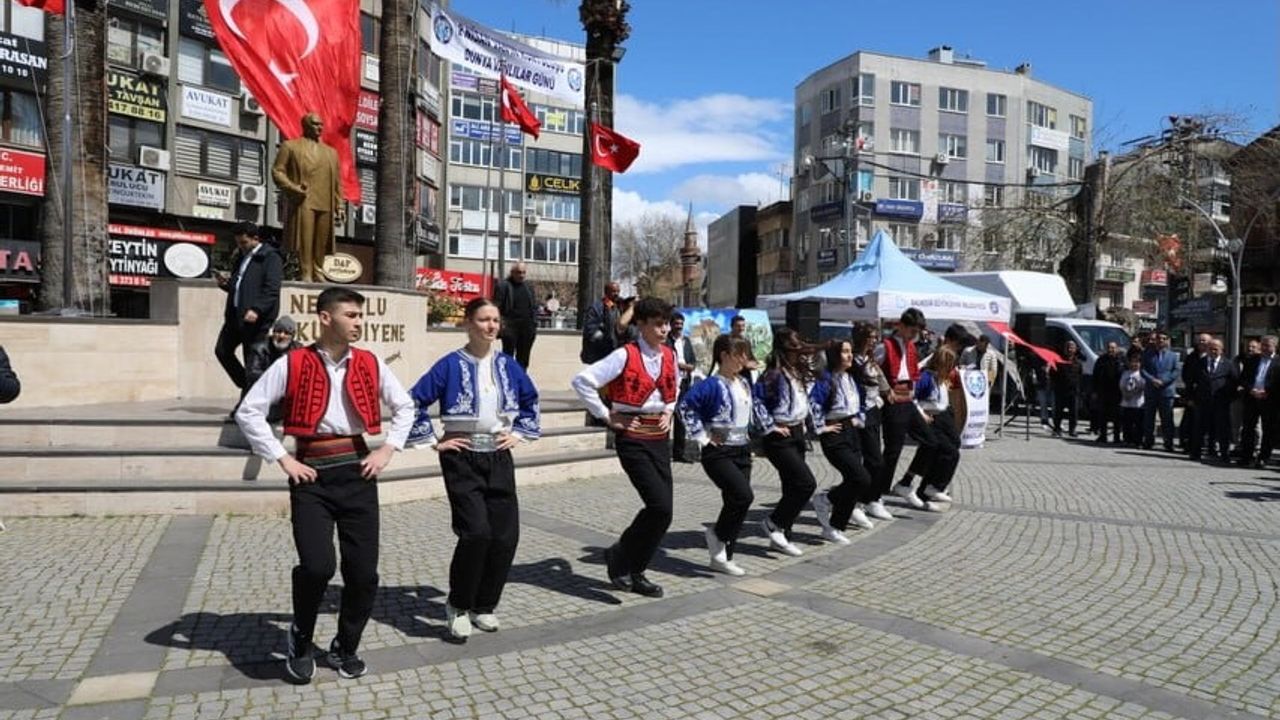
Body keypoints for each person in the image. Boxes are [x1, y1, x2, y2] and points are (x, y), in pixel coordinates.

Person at [235, 287, 414, 683]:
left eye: (360, 315)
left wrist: (388, 450)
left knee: (363, 574)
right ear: (325, 318)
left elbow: (405, 406)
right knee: (318, 567)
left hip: (358, 474)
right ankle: (300, 637)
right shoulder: (293, 361)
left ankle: (345, 645)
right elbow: (249, 411)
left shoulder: (369, 361)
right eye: (351, 315)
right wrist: (282, 458)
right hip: (311, 475)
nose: (358, 322)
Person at [407, 297, 541, 640]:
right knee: (476, 533)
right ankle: (458, 604)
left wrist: (519, 433)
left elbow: (531, 400)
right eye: (483, 319)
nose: (491, 326)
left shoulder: (509, 366)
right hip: (462, 456)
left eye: (495, 320)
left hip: (498, 454)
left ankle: (485, 605)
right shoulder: (449, 365)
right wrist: (434, 441)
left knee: (505, 536)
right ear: (468, 323)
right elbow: (413, 401)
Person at [572, 297, 678, 598]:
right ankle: (620, 556)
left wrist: (669, 410)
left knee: (664, 513)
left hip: (659, 438)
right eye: (657, 324)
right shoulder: (624, 354)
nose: (664, 330)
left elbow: (674, 386)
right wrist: (606, 415)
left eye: (666, 324)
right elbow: (582, 381)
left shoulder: (669, 354)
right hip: (632, 437)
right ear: (640, 324)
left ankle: (635, 568)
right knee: (659, 505)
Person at [678, 335, 765, 576]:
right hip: (719, 453)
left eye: (745, 354)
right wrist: (703, 436)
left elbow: (754, 410)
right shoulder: (711, 384)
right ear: (724, 355)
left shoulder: (744, 383)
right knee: (743, 495)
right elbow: (685, 407)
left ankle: (723, 556)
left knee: (735, 502)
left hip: (742, 449)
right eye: (739, 354)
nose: (744, 359)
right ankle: (717, 535)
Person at [754, 328, 820, 556]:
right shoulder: (772, 374)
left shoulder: (797, 371)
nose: (799, 349)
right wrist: (770, 426)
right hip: (779, 437)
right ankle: (773, 523)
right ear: (784, 348)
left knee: (791, 485)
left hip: (797, 432)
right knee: (806, 483)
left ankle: (782, 535)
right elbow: (756, 402)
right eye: (795, 346)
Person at [809, 339, 878, 541]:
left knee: (855, 481)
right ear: (834, 355)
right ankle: (825, 499)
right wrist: (822, 427)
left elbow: (863, 401)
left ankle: (834, 527)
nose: (849, 355)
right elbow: (813, 403)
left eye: (850, 351)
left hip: (851, 430)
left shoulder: (852, 377)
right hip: (835, 433)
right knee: (861, 478)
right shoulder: (826, 379)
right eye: (844, 352)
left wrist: (859, 418)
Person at [215, 221, 282, 406]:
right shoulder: (242, 257)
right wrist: (226, 285)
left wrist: (257, 309)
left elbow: (271, 289)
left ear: (255, 239)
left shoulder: (270, 257)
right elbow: (240, 287)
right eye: (238, 242)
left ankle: (248, 404)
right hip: (235, 317)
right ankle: (245, 385)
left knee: (251, 361)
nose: (241, 246)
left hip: (255, 320)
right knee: (222, 351)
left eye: (244, 242)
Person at [272, 113, 345, 282]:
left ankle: (318, 270)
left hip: (325, 201)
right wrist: (292, 188)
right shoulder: (290, 146)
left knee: (321, 240)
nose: (320, 127)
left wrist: (339, 205)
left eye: (321, 124)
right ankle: (305, 272)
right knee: (305, 239)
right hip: (304, 201)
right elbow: (277, 171)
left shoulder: (331, 153)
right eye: (315, 124)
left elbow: (337, 183)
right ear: (305, 125)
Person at [875, 308, 936, 510]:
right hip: (893, 401)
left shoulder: (911, 348)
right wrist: (883, 390)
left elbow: (913, 377)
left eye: (916, 332)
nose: (913, 336)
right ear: (901, 326)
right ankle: (877, 495)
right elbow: (871, 369)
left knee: (931, 442)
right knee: (893, 450)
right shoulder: (885, 346)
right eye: (911, 331)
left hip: (908, 400)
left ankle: (906, 482)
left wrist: (919, 409)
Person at [908, 346, 961, 511]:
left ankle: (926, 491)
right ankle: (935, 486)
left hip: (943, 414)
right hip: (931, 418)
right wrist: (921, 414)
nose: (952, 369)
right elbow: (912, 398)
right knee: (949, 452)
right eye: (949, 365)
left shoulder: (940, 378)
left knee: (952, 446)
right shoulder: (926, 377)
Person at [851, 323, 891, 521]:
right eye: (871, 337)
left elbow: (881, 383)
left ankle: (871, 498)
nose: (875, 341)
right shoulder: (852, 361)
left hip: (873, 412)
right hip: (857, 414)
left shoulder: (871, 361)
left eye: (876, 337)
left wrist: (886, 393)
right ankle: (856, 501)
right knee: (862, 461)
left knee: (876, 461)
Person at [1192, 338, 1237, 463]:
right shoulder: (1200, 363)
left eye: (1216, 349)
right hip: (1203, 402)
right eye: (1210, 349)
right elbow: (1192, 380)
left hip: (1220, 402)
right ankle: (1195, 452)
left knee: (1222, 430)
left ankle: (1224, 454)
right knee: (1199, 428)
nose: (1213, 351)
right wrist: (1192, 397)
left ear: (1221, 350)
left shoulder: (1228, 364)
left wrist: (1229, 398)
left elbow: (1234, 382)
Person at [1238, 335, 1278, 469]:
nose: (1264, 348)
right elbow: (1243, 378)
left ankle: (1263, 458)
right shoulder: (1252, 360)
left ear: (1275, 346)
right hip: (1252, 398)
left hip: (1269, 400)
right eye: (1263, 345)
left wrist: (1267, 392)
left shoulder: (1278, 362)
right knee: (1248, 428)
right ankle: (1246, 456)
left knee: (1268, 430)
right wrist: (1251, 390)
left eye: (1268, 345)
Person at [666, 312, 700, 463]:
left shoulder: (686, 341)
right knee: (667, 417)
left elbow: (692, 360)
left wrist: (690, 366)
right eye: (676, 324)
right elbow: (667, 359)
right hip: (670, 383)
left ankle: (679, 453)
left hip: (684, 383)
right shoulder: (666, 341)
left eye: (681, 324)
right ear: (671, 325)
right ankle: (663, 453)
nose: (679, 327)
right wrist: (679, 365)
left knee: (681, 418)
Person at [493, 263, 538, 369]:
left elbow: (533, 306)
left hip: (527, 328)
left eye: (523, 272)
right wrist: (500, 326)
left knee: (524, 359)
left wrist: (534, 324)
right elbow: (496, 306)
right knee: (507, 357)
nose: (521, 275)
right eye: (518, 272)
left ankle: (520, 377)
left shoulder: (529, 287)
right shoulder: (503, 286)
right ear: (512, 273)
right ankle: (507, 377)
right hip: (510, 328)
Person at [1141, 331, 1180, 451]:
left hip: (1166, 391)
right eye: (1159, 338)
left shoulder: (1173, 356)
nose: (1161, 341)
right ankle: (1148, 441)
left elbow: (1175, 371)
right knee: (1149, 418)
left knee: (1167, 418)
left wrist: (1164, 381)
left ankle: (1168, 442)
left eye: (1163, 338)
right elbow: (1143, 370)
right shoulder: (1147, 354)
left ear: (1167, 340)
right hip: (1151, 390)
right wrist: (1152, 379)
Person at [1179, 333, 1211, 451]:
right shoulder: (1191, 357)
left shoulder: (1211, 356)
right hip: (1192, 393)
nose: (1202, 343)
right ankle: (1187, 443)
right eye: (1200, 340)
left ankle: (1205, 444)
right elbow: (1185, 374)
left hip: (1207, 394)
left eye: (1204, 340)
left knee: (1205, 420)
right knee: (1190, 420)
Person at [580, 282, 626, 364]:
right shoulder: (597, 308)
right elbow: (590, 329)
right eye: (613, 291)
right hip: (601, 351)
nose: (616, 294)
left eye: (618, 291)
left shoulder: (621, 307)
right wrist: (603, 335)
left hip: (617, 349)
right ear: (606, 292)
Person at [1092, 341, 1124, 444]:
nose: (1111, 350)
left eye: (1113, 348)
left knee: (1117, 416)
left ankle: (1116, 437)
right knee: (1103, 415)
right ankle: (1103, 436)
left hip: (1117, 392)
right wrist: (1094, 391)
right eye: (1109, 348)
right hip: (1103, 391)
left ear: (1117, 349)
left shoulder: (1121, 360)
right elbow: (1095, 376)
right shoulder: (1101, 360)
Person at [1052, 340, 1083, 437]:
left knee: (1073, 412)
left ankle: (1072, 430)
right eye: (1068, 347)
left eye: (1072, 348)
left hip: (1073, 391)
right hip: (1061, 390)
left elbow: (1080, 376)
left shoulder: (1078, 362)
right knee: (1058, 411)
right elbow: (1053, 374)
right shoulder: (1058, 361)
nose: (1070, 349)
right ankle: (1057, 429)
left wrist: (1079, 389)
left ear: (1075, 349)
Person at [1119, 352, 1146, 447]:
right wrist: (1125, 394)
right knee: (1127, 422)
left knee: (1138, 423)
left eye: (1137, 362)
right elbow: (1121, 385)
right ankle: (1127, 439)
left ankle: (1138, 441)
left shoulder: (1142, 374)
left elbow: (1143, 386)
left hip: (1138, 403)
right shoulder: (1126, 373)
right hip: (1126, 402)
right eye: (1132, 362)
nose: (1134, 364)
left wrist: (1133, 393)